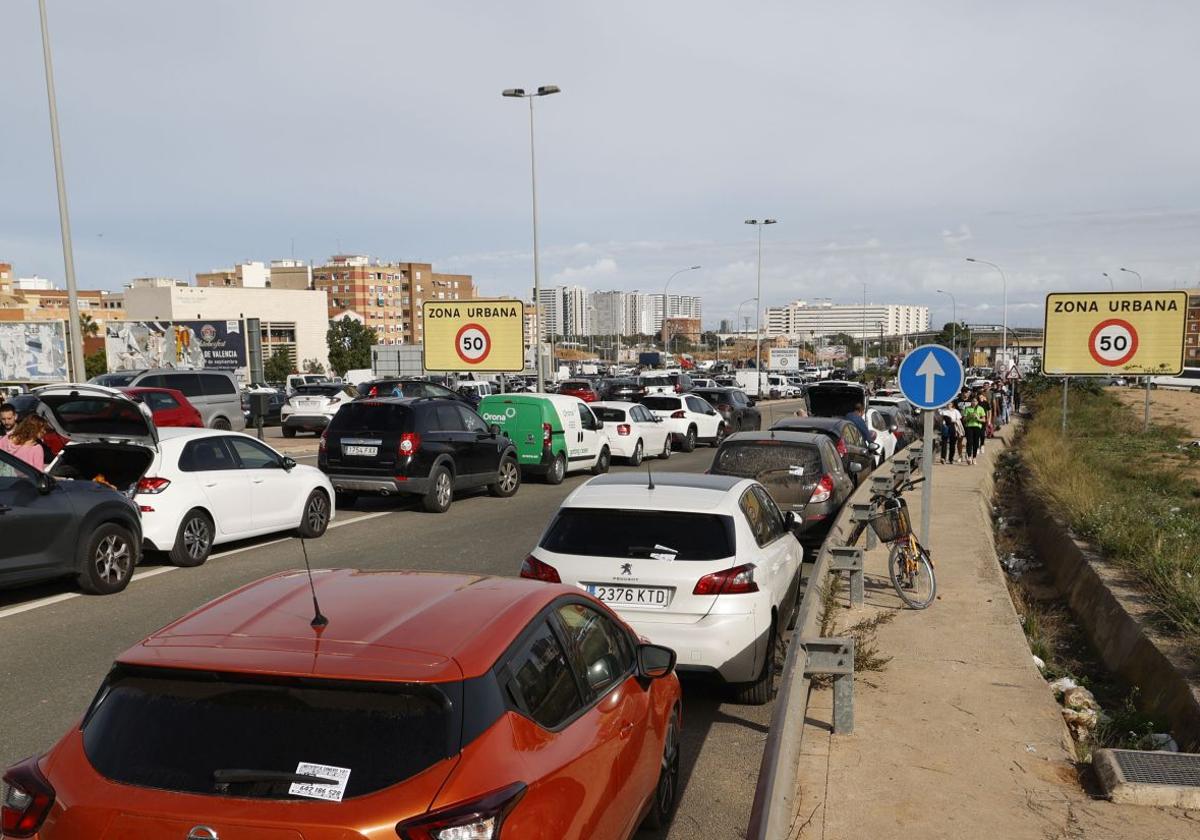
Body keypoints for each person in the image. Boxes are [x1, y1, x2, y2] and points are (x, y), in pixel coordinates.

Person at [962, 396, 987, 465]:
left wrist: (978, 418)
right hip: (969, 426)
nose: (974, 402)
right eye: (973, 401)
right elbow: (964, 419)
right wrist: (970, 416)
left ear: (977, 402)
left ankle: (974, 457)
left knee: (976, 443)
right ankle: (969, 457)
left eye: (975, 401)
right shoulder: (967, 409)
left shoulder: (980, 409)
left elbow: (984, 420)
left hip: (977, 426)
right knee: (969, 441)